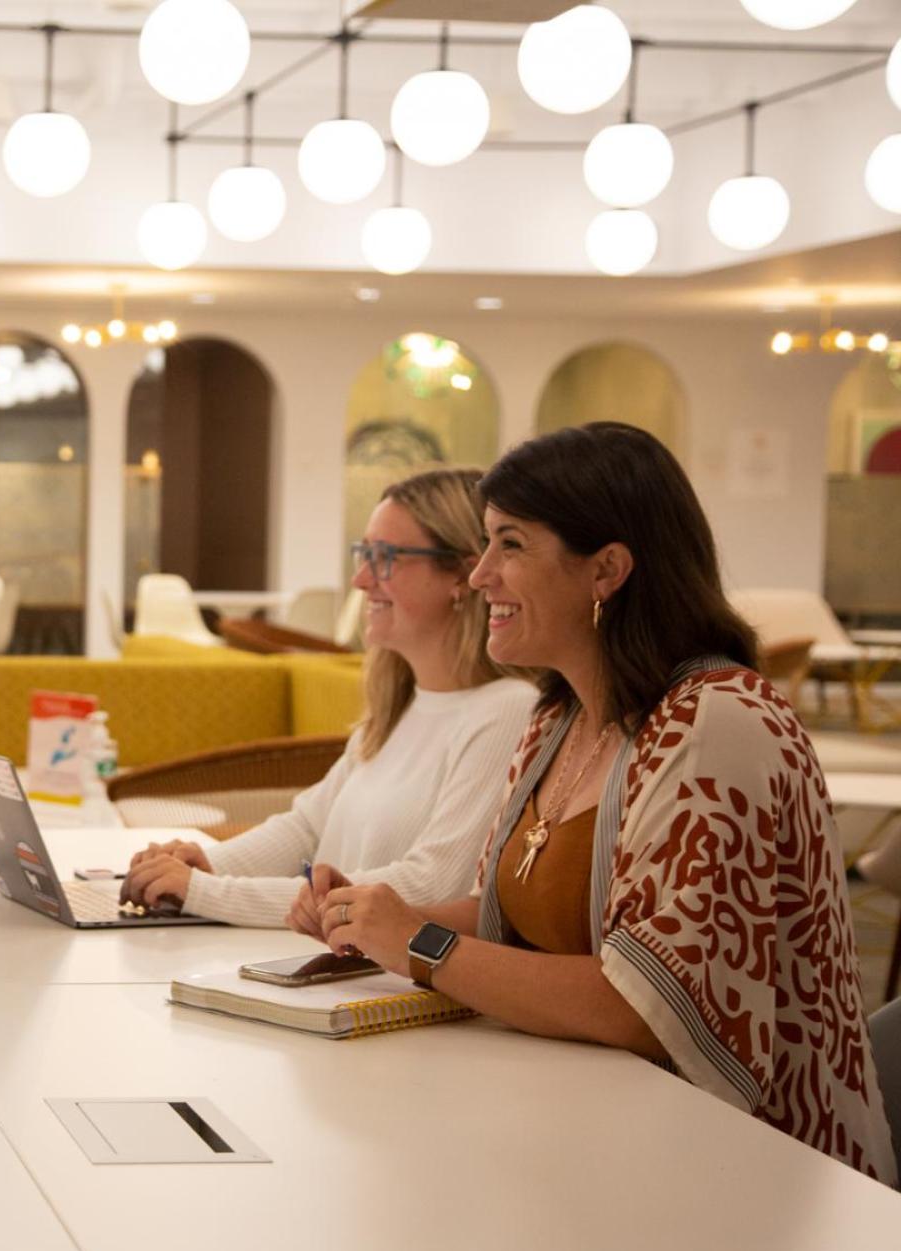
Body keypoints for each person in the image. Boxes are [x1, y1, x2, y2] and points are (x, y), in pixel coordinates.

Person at [313, 423, 895, 1183]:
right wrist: (373, 916)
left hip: (756, 1172)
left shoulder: (716, 720)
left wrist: (419, 945)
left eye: (510, 544)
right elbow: (509, 920)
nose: (480, 574)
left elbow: (643, 1001)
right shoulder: (557, 721)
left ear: (607, 570)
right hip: (601, 1128)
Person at [122, 468, 535, 925]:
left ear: (463, 573)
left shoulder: (507, 710)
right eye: (363, 555)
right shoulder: (400, 708)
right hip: (319, 967)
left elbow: (432, 885)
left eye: (384, 557)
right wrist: (205, 863)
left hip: (378, 991)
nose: (360, 580)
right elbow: (305, 828)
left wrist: (207, 892)